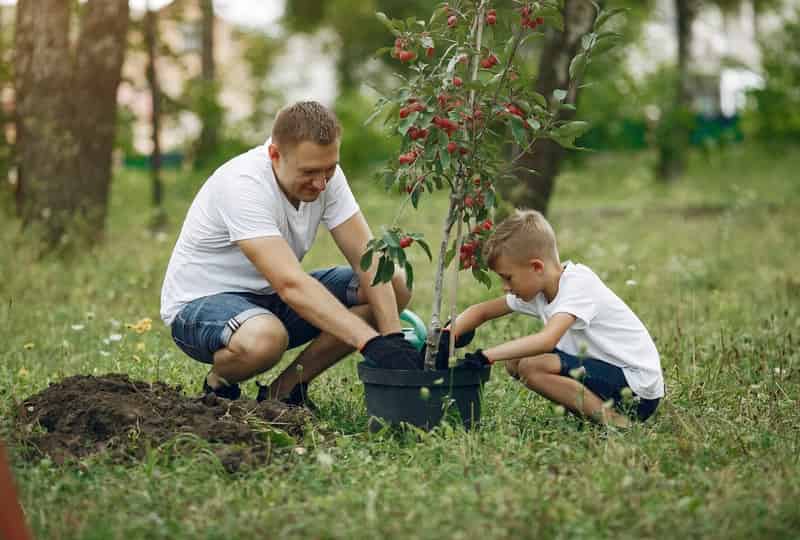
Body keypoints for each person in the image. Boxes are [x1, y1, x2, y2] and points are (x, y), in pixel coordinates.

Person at [160, 101, 420, 408]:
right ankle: (219, 383)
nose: (322, 183)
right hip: (201, 306)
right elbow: (290, 284)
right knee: (266, 338)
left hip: (271, 300)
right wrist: (370, 342)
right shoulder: (243, 185)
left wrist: (392, 341)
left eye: (330, 169)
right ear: (274, 155)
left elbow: (369, 259)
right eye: (309, 172)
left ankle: (284, 391)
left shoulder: (326, 176)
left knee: (394, 284)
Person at [452, 209, 664, 426]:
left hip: (637, 389)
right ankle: (594, 413)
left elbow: (546, 340)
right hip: (607, 374)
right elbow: (482, 311)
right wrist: (447, 333)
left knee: (532, 367)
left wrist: (485, 356)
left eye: (508, 278)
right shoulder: (540, 286)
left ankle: (618, 424)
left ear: (536, 267)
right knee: (515, 361)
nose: (505, 288)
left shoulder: (577, 286)